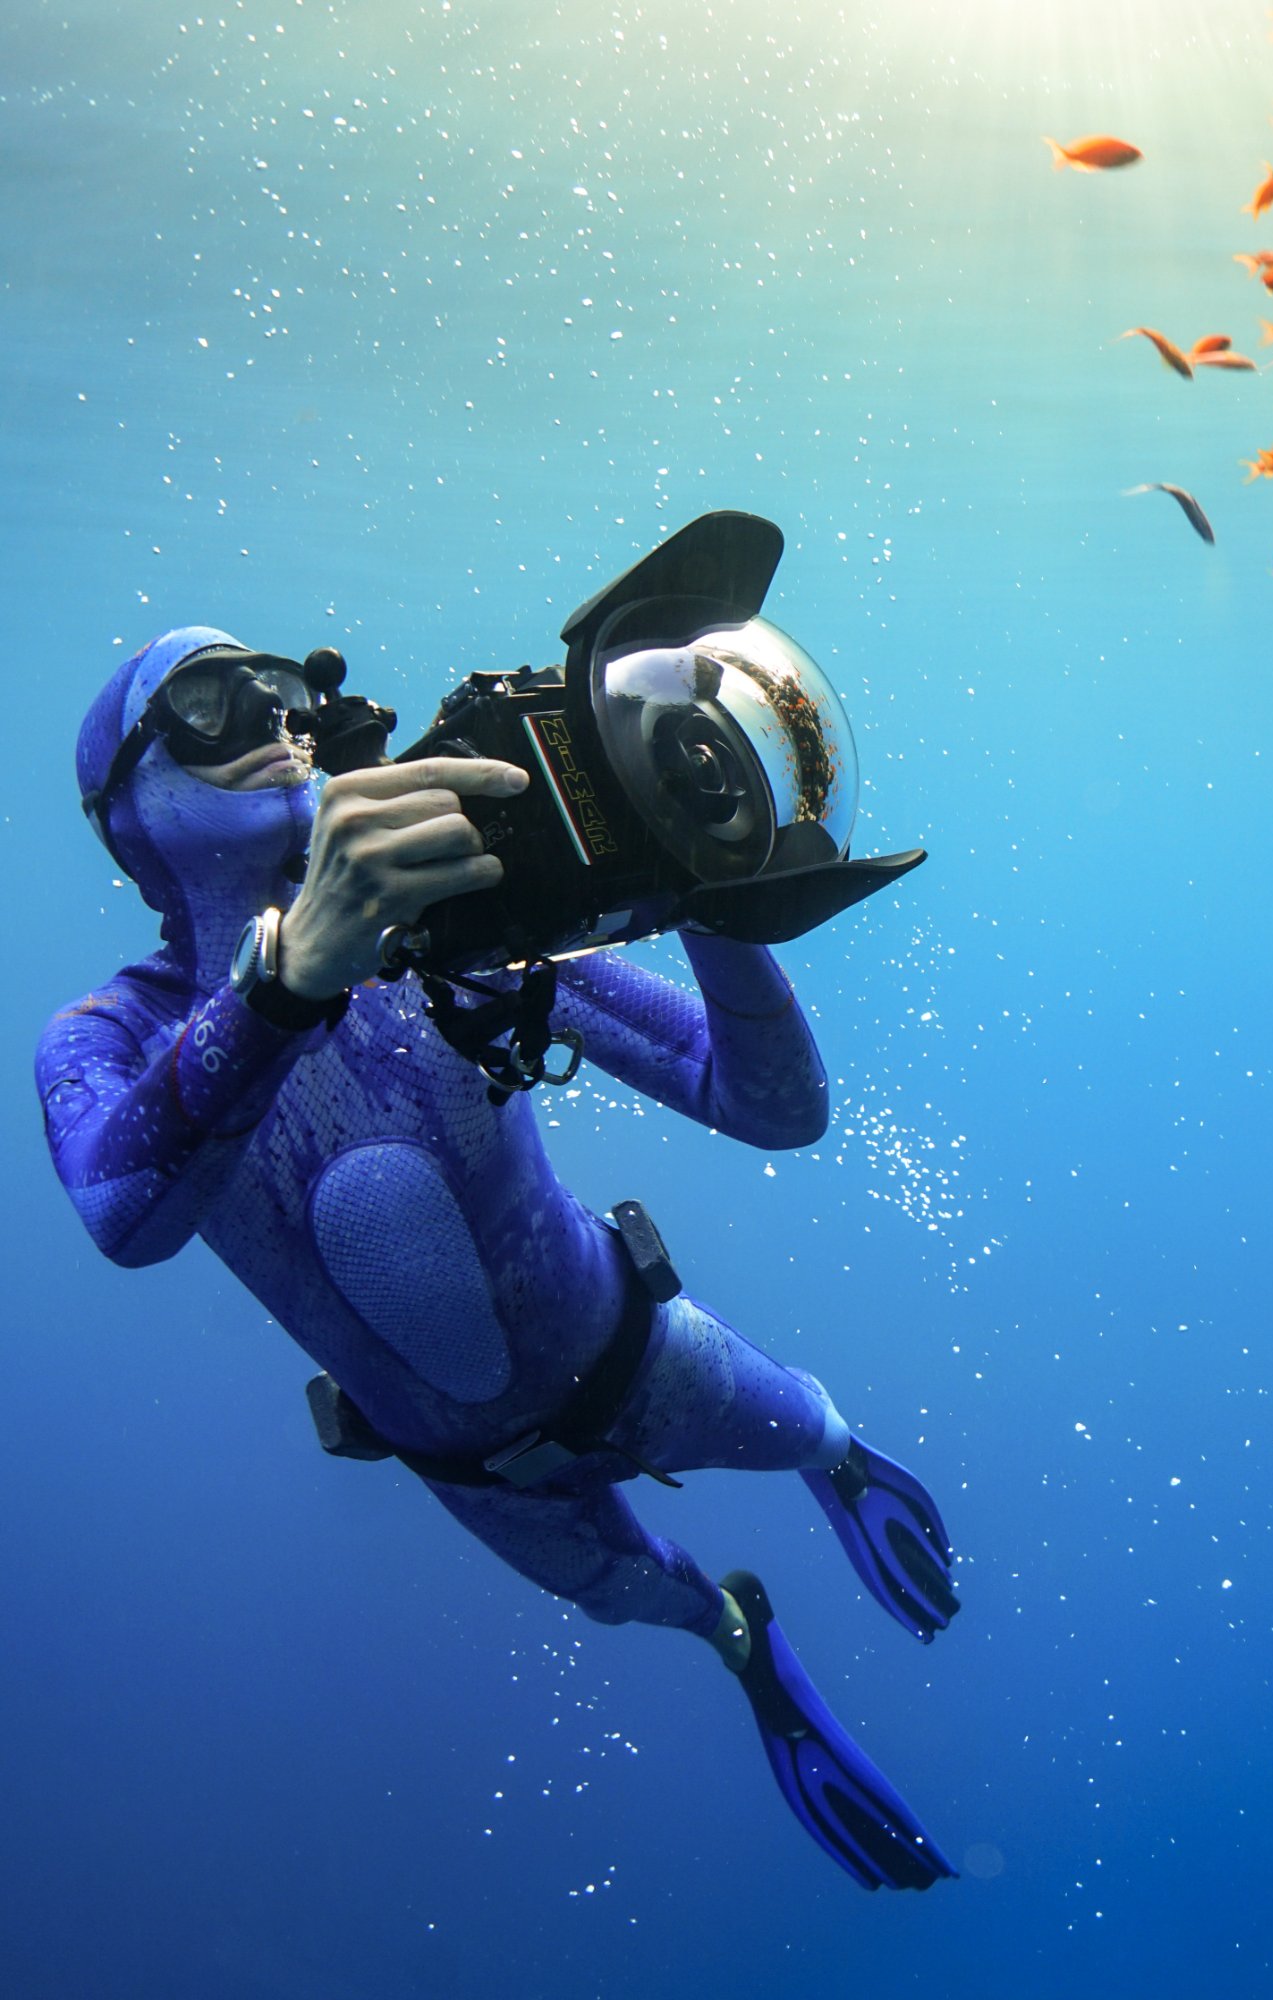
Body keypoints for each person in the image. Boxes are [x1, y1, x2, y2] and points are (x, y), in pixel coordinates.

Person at [37, 622, 960, 1891]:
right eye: (207, 703)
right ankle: (741, 1637)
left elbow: (771, 1106)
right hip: (478, 1473)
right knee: (645, 1596)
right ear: (123, 806)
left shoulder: (454, 931)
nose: (269, 718)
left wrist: (699, 889)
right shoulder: (109, 1033)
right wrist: (283, 981)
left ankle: (842, 1457)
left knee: (805, 1426)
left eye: (282, 690)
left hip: (642, 1357)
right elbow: (120, 1212)